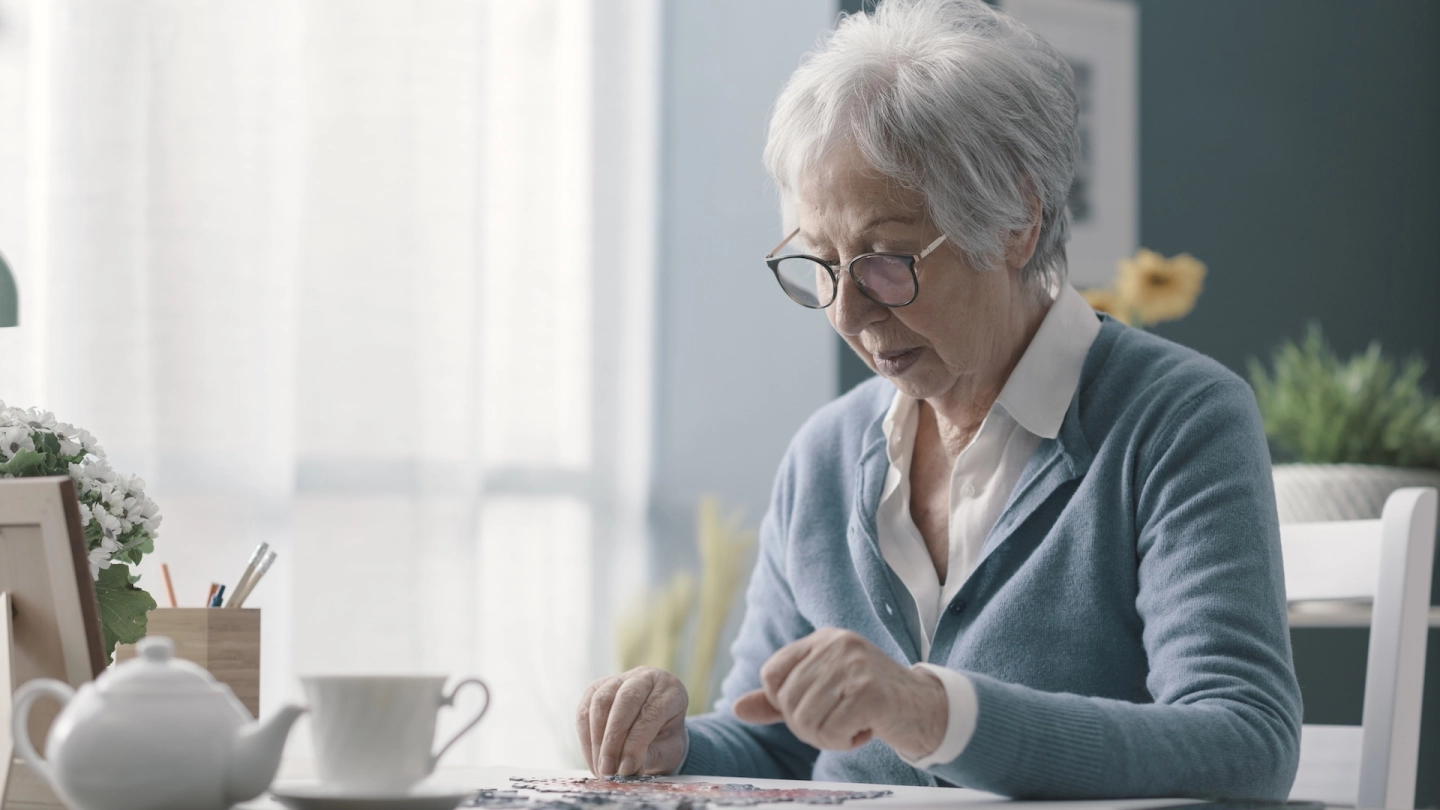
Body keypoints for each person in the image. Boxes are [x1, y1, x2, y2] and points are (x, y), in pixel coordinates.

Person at [575, 0, 1301, 799]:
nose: (847, 314)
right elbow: (774, 745)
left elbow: (1244, 742)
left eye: (887, 260)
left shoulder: (1178, 422)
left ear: (1016, 222)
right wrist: (672, 743)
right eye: (820, 263)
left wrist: (935, 713)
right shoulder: (824, 455)